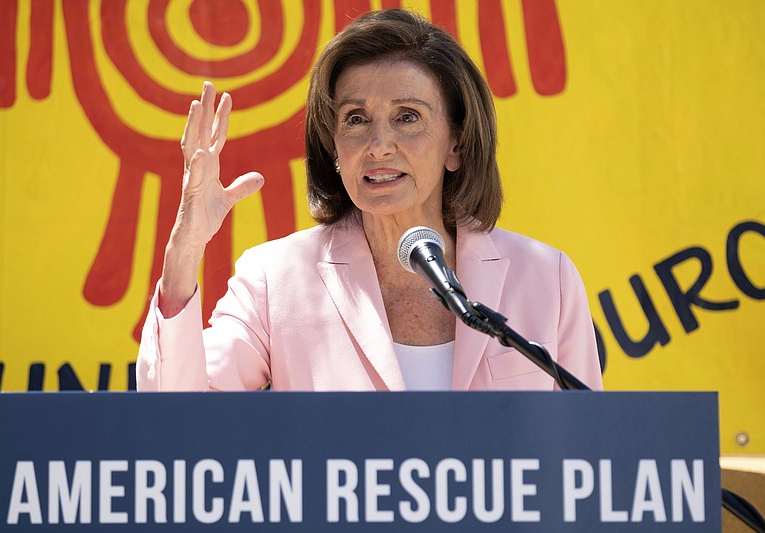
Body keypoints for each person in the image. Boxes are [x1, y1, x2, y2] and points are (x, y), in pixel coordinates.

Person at [136, 9, 603, 392]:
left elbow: (588, 454)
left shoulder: (546, 279)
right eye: (356, 119)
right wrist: (183, 254)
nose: (378, 144)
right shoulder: (275, 280)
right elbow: (176, 419)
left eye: (407, 117)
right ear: (334, 146)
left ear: (456, 145)